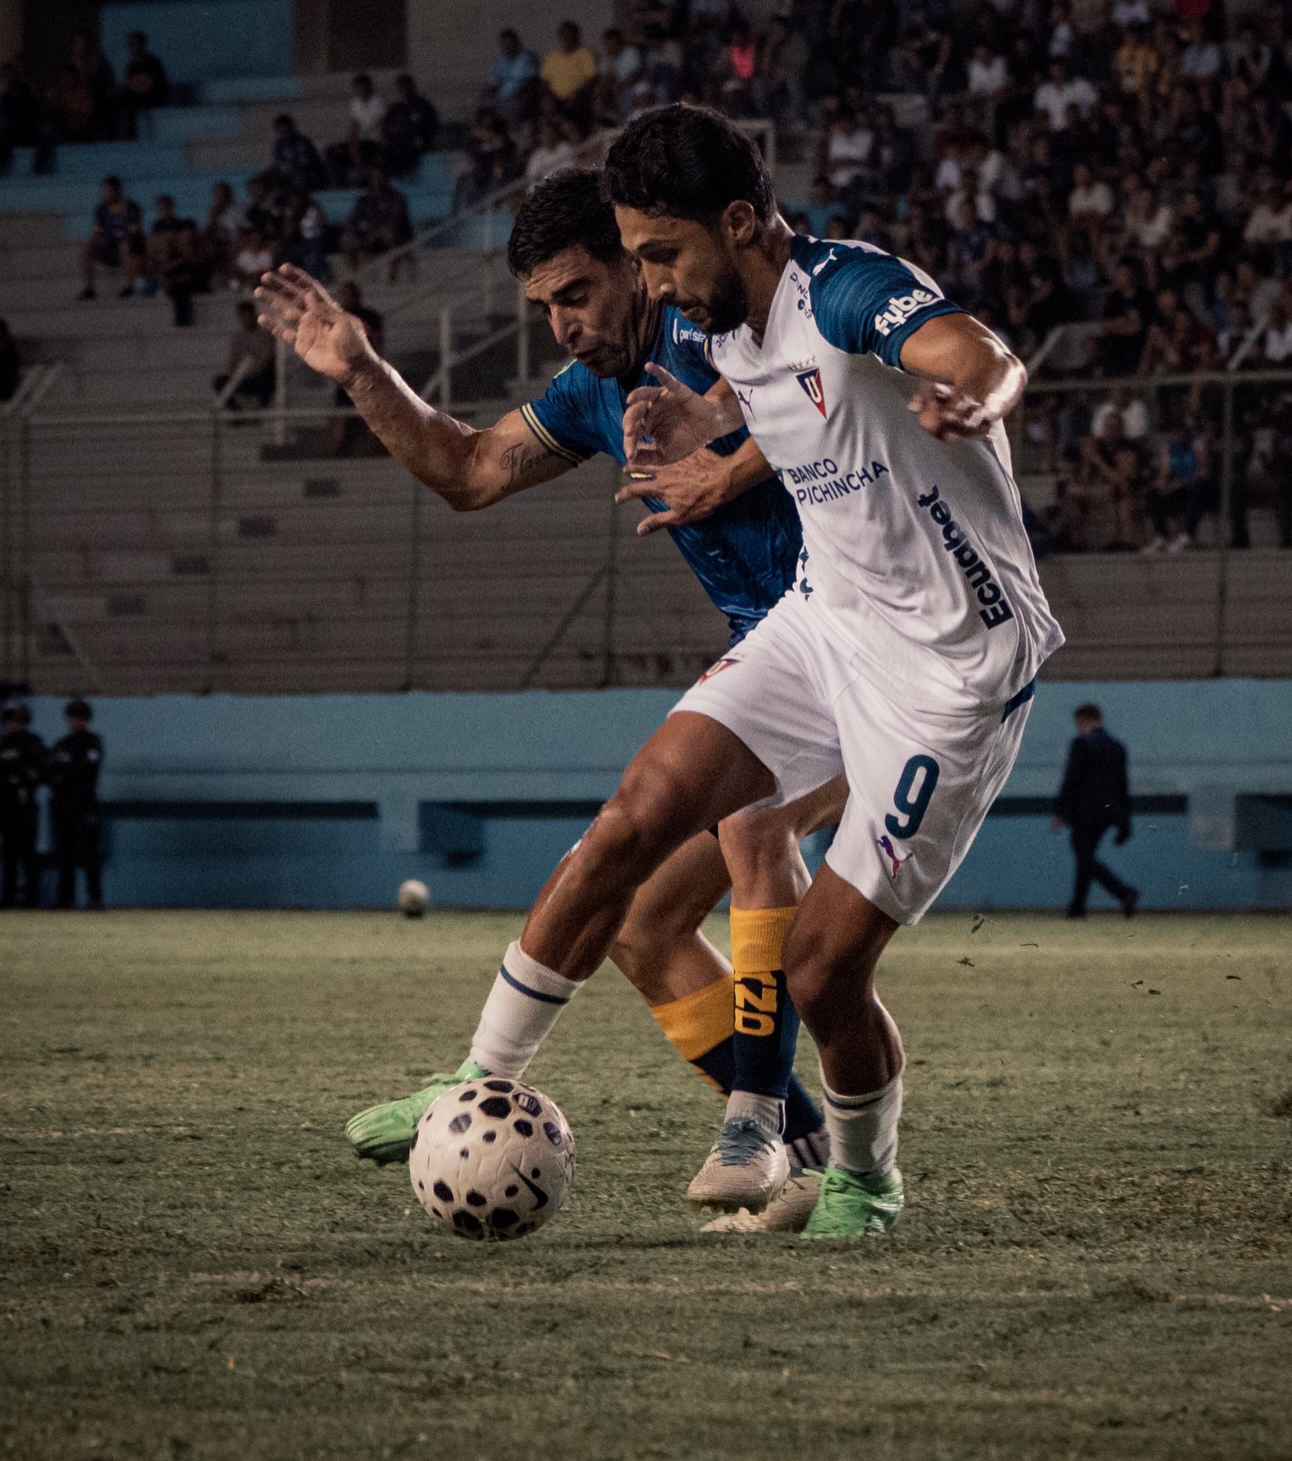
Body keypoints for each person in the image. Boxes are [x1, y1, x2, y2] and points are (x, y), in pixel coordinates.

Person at [325, 106, 1061, 1240]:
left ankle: (857, 1174)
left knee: (823, 972)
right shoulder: (709, 326)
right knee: (635, 817)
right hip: (823, 623)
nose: (652, 284)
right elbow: (755, 393)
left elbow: (977, 352)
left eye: (660, 254)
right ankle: (477, 1072)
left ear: (735, 222)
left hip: (949, 671)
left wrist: (973, 398)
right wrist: (708, 424)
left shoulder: (848, 289)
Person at [256, 168, 844, 1231]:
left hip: (860, 641)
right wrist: (360, 369)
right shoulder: (592, 394)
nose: (565, 325)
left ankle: (755, 1122)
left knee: (753, 829)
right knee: (645, 926)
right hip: (772, 655)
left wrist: (729, 450)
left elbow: (833, 403)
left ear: (636, 259)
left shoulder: (730, 329)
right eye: (545, 307)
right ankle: (816, 1150)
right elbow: (472, 470)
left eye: (578, 292)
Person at [1050, 703, 1137, 919]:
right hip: (1108, 815)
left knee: (1084, 858)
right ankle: (1078, 907)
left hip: (1084, 813)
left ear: (1088, 721)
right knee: (1085, 859)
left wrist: (1060, 812)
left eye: (1080, 723)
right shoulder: (1117, 747)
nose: (1078, 728)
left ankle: (1123, 892)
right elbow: (1122, 786)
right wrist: (1125, 821)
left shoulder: (1081, 745)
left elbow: (1071, 780)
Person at [48, 699, 104, 909]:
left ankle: (95, 898)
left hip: (85, 805)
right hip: (64, 806)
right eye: (72, 717)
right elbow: (49, 771)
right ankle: (66, 899)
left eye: (78, 718)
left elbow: (86, 769)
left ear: (86, 720)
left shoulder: (93, 742)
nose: (74, 721)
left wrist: (65, 769)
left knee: (90, 854)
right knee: (65, 855)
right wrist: (66, 770)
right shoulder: (63, 744)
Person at [1, 699, 48, 908]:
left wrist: (21, 776)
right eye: (10, 720)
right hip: (5, 808)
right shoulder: (3, 744)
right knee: (8, 857)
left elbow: (41, 773)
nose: (13, 724)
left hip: (26, 806)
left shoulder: (33, 743)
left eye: (17, 720)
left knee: (28, 855)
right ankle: (9, 898)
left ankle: (32, 898)